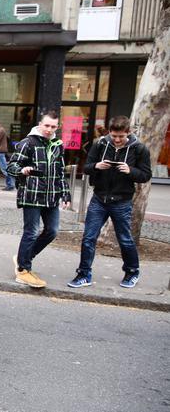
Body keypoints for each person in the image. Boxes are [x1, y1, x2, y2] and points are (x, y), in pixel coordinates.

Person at [68, 116, 152, 289]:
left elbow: (145, 175)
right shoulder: (100, 144)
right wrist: (97, 166)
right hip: (99, 198)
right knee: (88, 238)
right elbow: (86, 168)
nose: (117, 140)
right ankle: (84, 274)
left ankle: (132, 272)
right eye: (114, 136)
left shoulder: (139, 149)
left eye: (121, 136)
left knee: (125, 239)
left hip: (121, 201)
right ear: (109, 132)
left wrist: (131, 171)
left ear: (128, 132)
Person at [6, 111, 71, 289]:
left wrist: (66, 193)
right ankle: (23, 270)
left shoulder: (58, 145)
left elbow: (60, 171)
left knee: (52, 231)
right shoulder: (27, 143)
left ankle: (23, 257)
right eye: (47, 125)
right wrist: (22, 170)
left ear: (57, 127)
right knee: (32, 232)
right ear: (40, 124)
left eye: (53, 126)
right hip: (32, 195)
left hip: (51, 196)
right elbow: (11, 166)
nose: (49, 129)